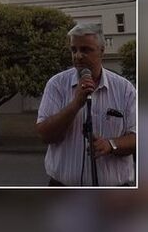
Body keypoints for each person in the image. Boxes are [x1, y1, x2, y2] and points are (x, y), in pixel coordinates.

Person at [36, 23, 136, 186]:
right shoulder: (56, 84)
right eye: (73, 50)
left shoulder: (125, 89)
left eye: (85, 50)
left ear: (102, 51)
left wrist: (111, 145)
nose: (78, 56)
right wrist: (75, 104)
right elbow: (44, 134)